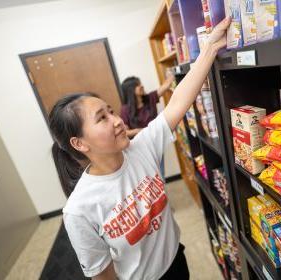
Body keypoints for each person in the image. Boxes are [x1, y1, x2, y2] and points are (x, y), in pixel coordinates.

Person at [49, 17, 231, 280]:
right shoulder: (79, 210)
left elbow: (178, 100)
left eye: (111, 111)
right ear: (79, 143)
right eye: (102, 118)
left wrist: (210, 48)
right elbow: (103, 276)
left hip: (177, 261)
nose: (117, 120)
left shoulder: (141, 147)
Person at [120, 75, 174, 179]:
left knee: (161, 175)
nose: (141, 86)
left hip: (156, 143)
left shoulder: (150, 98)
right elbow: (125, 132)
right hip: (139, 148)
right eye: (137, 85)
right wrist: (139, 131)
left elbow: (166, 86)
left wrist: (171, 74)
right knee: (148, 177)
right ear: (131, 90)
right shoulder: (125, 109)